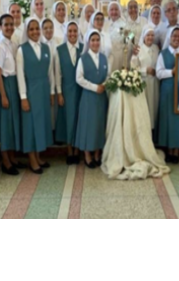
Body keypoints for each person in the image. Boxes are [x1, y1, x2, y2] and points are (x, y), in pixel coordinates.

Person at [16, 18, 55, 174]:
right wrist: (23, 97)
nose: (35, 32)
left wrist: (52, 92)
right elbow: (20, 75)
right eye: (31, 29)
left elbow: (50, 72)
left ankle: (38, 156)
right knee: (31, 125)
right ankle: (32, 159)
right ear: (27, 31)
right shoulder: (22, 50)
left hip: (44, 90)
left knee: (41, 124)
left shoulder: (46, 48)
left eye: (37, 29)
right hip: (31, 90)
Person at [0, 14, 24, 176]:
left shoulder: (13, 43)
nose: (9, 27)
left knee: (13, 123)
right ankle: (5, 161)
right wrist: (3, 95)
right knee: (5, 124)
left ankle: (12, 157)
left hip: (13, 83)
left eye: (11, 24)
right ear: (0, 26)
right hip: (4, 85)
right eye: (6, 25)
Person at [157, 27, 179, 164]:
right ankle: (169, 150)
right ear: (169, 37)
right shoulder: (163, 54)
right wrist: (171, 72)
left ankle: (176, 151)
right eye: (174, 36)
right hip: (167, 91)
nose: (177, 38)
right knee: (168, 121)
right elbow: (158, 73)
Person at [75, 30, 110, 169]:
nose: (95, 43)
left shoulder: (104, 58)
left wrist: (104, 85)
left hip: (101, 98)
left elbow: (108, 75)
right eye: (93, 40)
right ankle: (87, 155)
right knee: (88, 125)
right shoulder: (82, 59)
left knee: (99, 125)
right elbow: (79, 78)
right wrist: (95, 87)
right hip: (89, 97)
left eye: (97, 40)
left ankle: (97, 153)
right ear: (88, 42)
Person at [55, 21, 84, 165]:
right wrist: (59, 93)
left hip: (81, 89)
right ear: (66, 33)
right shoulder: (59, 50)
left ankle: (77, 149)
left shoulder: (83, 48)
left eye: (75, 31)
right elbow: (58, 74)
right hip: (67, 89)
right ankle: (69, 149)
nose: (72, 34)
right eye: (70, 31)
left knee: (79, 118)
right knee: (68, 119)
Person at [131, 28, 160, 130]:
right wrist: (145, 70)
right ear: (144, 37)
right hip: (143, 83)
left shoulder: (156, 48)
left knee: (154, 107)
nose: (150, 37)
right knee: (145, 108)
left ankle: (154, 131)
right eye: (148, 35)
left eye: (152, 35)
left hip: (155, 83)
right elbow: (133, 68)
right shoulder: (138, 49)